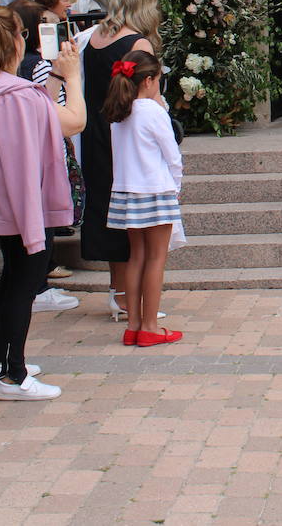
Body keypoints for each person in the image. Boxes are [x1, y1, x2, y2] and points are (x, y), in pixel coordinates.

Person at [0, 6, 79, 401]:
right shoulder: (15, 94)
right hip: (26, 203)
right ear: (13, 42)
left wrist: (55, 75)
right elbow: (73, 120)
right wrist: (72, 78)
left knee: (10, 281)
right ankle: (14, 374)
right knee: (23, 284)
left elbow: (34, 112)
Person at [81, 0, 162, 320]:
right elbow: (150, 96)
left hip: (97, 128)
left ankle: (118, 291)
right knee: (134, 213)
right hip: (127, 130)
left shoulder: (95, 37)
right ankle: (132, 300)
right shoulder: (137, 41)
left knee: (109, 206)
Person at [103, 51, 186, 346]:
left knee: (136, 256)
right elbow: (172, 156)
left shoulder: (119, 112)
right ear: (149, 80)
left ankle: (134, 325)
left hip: (126, 190)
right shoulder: (152, 111)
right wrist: (176, 187)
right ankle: (150, 325)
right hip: (155, 189)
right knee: (156, 259)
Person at [8, 0, 83, 308]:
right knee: (43, 217)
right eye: (48, 26)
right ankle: (37, 286)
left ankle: (37, 282)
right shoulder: (38, 67)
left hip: (33, 150)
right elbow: (63, 116)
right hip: (44, 148)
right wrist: (70, 76)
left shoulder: (27, 68)